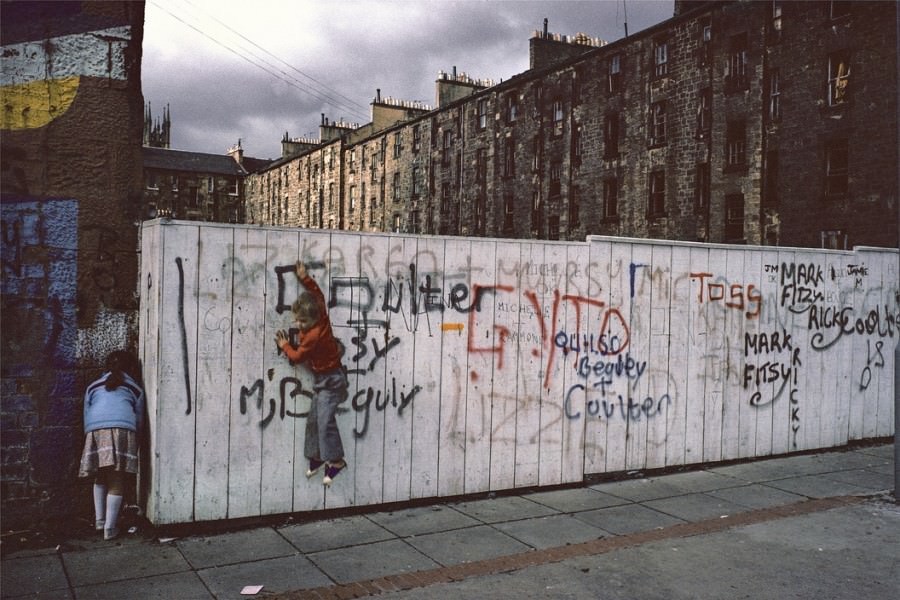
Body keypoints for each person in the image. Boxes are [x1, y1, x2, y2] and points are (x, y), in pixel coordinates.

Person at [275, 260, 349, 486]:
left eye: (303, 321)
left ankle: (336, 461)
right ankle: (316, 457)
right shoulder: (321, 311)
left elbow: (297, 357)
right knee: (314, 420)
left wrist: (284, 345)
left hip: (333, 381)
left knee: (325, 421)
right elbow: (316, 292)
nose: (298, 324)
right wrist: (303, 277)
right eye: (296, 319)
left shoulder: (312, 336)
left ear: (315, 319)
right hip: (323, 379)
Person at [78, 350, 144, 540]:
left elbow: (86, 414)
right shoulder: (135, 388)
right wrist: (136, 442)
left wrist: (90, 438)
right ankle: (110, 528)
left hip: (94, 429)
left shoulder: (93, 386)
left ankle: (99, 521)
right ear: (131, 368)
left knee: (100, 475)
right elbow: (139, 421)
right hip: (122, 428)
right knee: (117, 479)